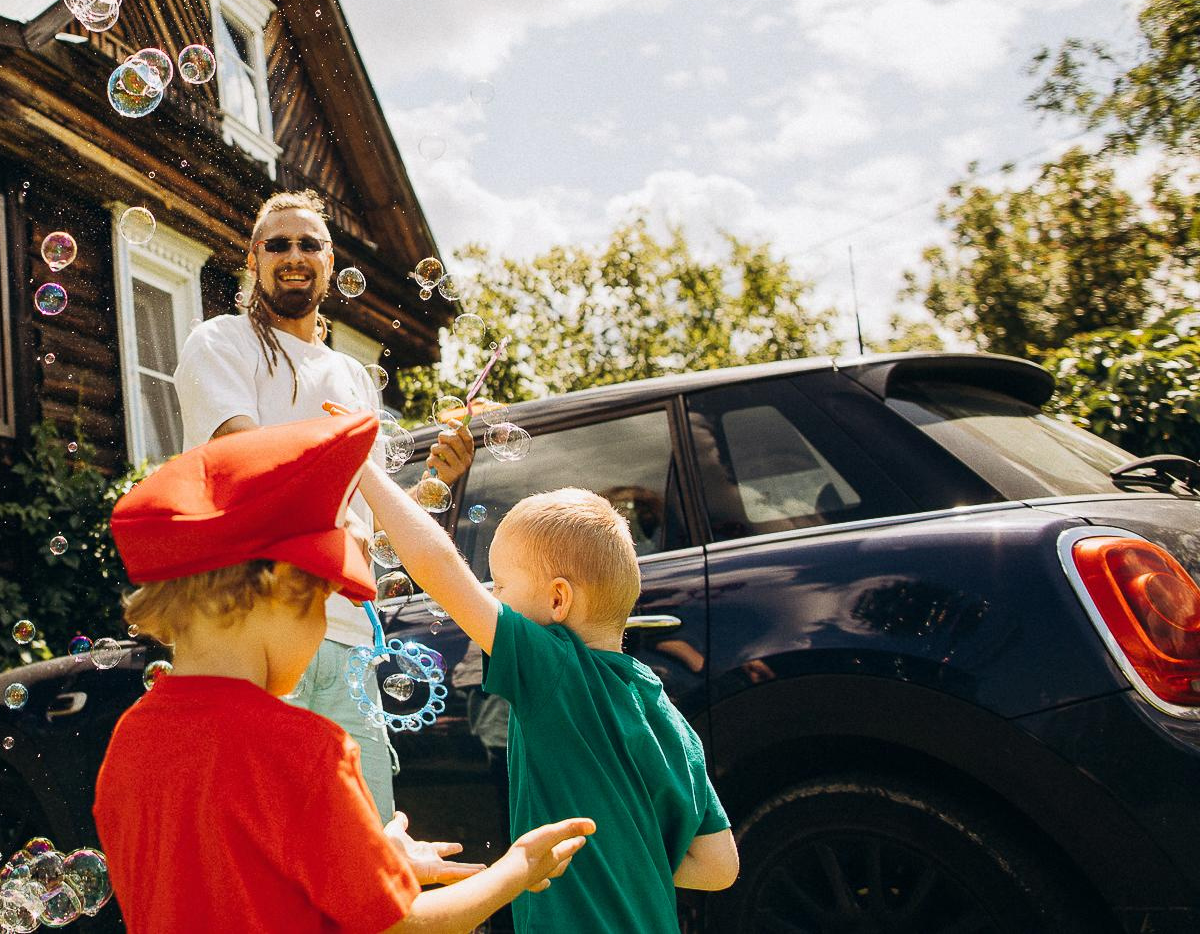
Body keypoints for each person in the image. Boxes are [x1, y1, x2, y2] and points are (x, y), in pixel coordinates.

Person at [94, 411, 596, 934]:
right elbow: (404, 924)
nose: (321, 633)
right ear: (277, 589)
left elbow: (232, 877)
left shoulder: (130, 741)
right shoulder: (304, 749)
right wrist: (518, 868)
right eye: (323, 606)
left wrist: (372, 858)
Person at [173, 189, 474, 820]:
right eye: (276, 243)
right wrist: (345, 473)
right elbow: (248, 462)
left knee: (368, 846)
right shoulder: (220, 342)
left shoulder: (354, 377)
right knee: (267, 851)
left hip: (346, 642)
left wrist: (432, 488)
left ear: (330, 261)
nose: (293, 255)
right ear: (252, 259)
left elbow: (368, 530)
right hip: (249, 628)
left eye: (309, 243)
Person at [356, 474, 739, 934]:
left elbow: (438, 567)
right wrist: (623, 857)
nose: (491, 597)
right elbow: (720, 868)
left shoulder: (555, 671)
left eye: (499, 585)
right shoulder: (662, 712)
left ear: (558, 599)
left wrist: (366, 468)